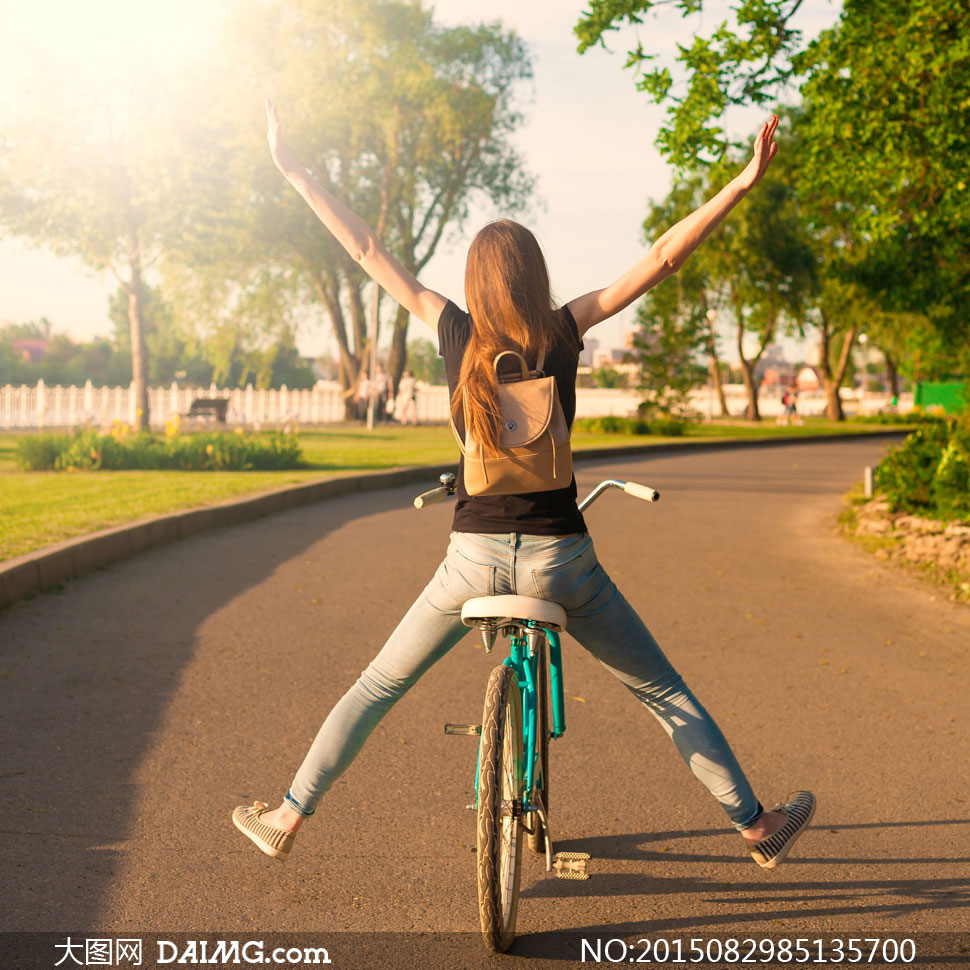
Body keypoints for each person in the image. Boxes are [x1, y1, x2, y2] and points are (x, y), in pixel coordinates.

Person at [232, 101, 815, 871]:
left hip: (470, 559)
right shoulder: (562, 331)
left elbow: (368, 249)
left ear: (475, 280)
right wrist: (741, 182)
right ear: (535, 275)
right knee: (662, 691)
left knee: (377, 685)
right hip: (561, 561)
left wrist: (295, 169)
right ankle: (753, 824)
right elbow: (664, 257)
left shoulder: (452, 330)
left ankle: (288, 813)